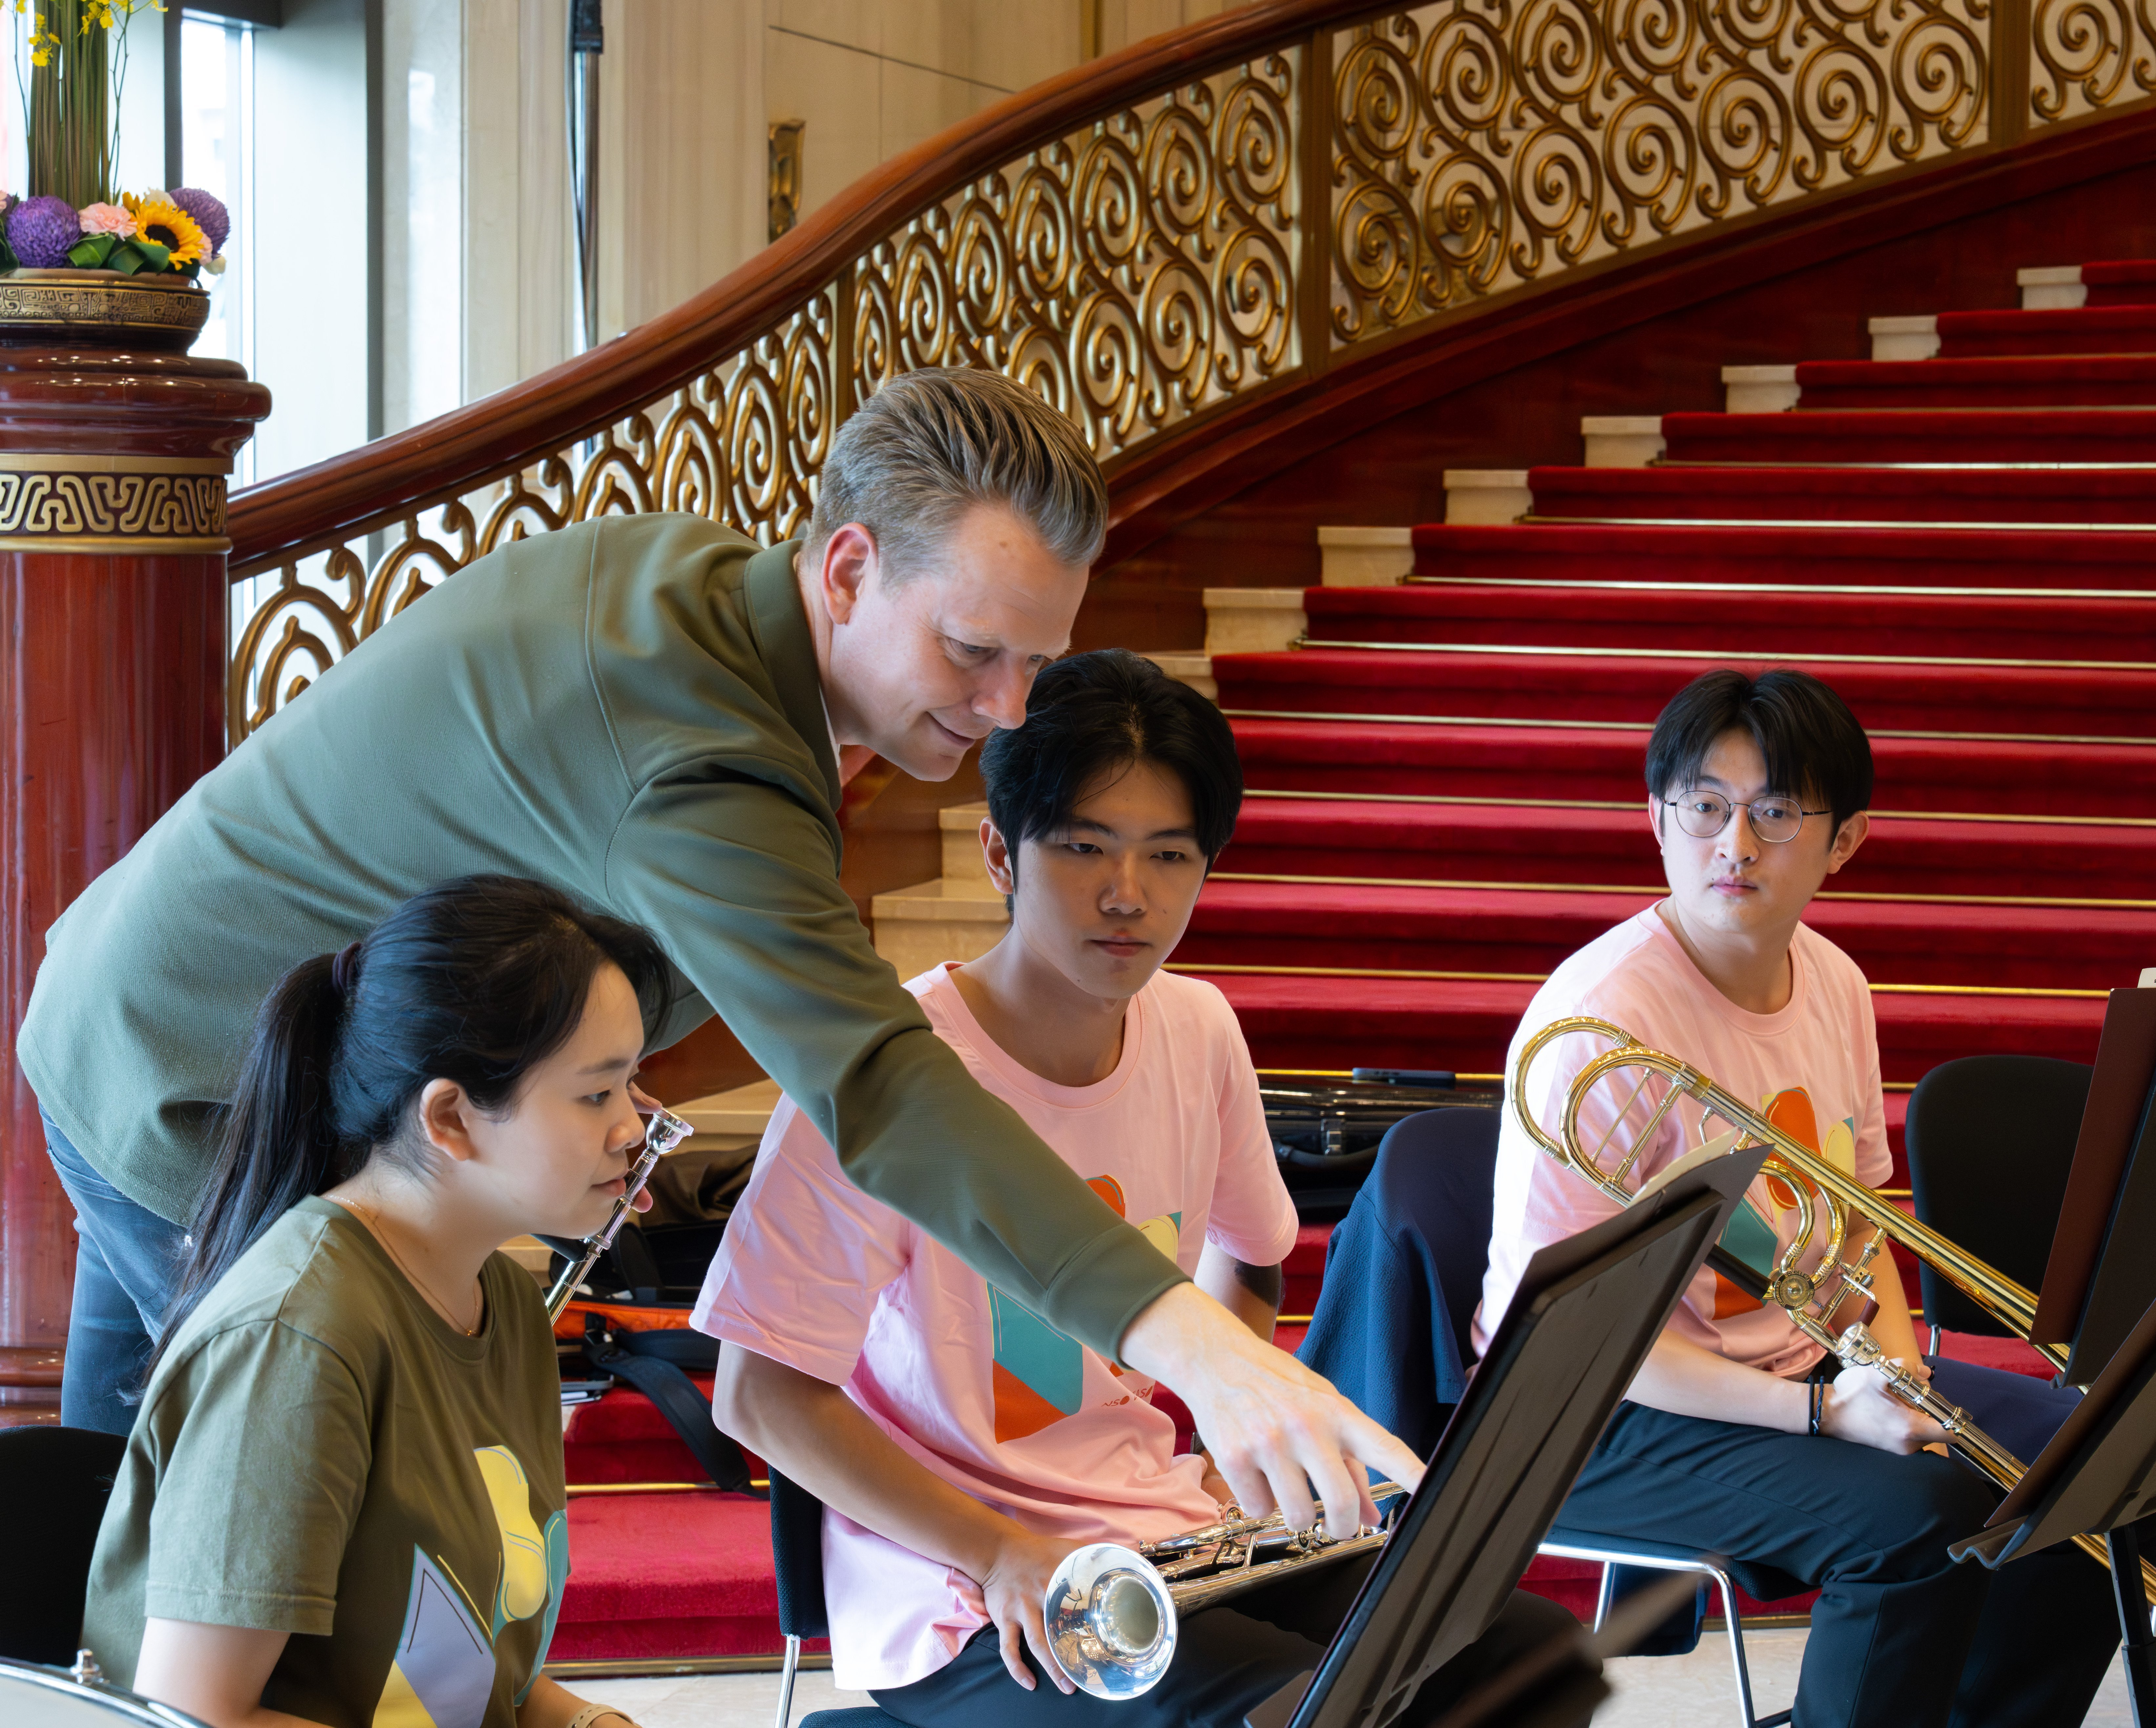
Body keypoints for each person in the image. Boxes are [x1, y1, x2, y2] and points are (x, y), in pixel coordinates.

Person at [20, 367, 1414, 1522]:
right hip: (196, 1078)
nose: (1006, 709)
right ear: (850, 567)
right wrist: (1183, 1340)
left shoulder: (712, 599)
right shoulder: (696, 750)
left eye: (1037, 666)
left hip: (140, 1018)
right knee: (355, 1554)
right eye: (974, 652)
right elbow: (875, 1083)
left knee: (121, 1562)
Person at [696, 651, 1572, 1727]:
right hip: (965, 1591)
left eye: (1170, 855)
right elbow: (758, 1392)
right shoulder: (888, 1076)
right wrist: (1000, 1548)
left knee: (1522, 1652)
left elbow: (1252, 1253)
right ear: (997, 854)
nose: (1129, 894)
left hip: (1160, 1535)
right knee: (1298, 1709)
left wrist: (1211, 1429)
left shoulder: (1199, 1029)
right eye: (1082, 847)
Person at [1477, 667, 2156, 1728]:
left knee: (2124, 1462)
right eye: (1705, 807)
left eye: (1774, 812)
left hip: (1801, 1363)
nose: (1735, 844)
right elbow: (1578, 1339)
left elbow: (1861, 1230)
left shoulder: (1836, 981)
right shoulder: (1598, 1024)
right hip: (1595, 1412)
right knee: (1921, 1517)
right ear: (1655, 817)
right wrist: (1821, 1412)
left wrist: (1897, 1379)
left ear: (1844, 840)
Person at [83, 874, 674, 1728]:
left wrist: (583, 1721)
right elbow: (195, 1716)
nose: (635, 1127)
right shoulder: (301, 1336)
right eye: (597, 1093)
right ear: (452, 1118)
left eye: (631, 1086)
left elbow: (466, 1669)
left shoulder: (502, 1300)